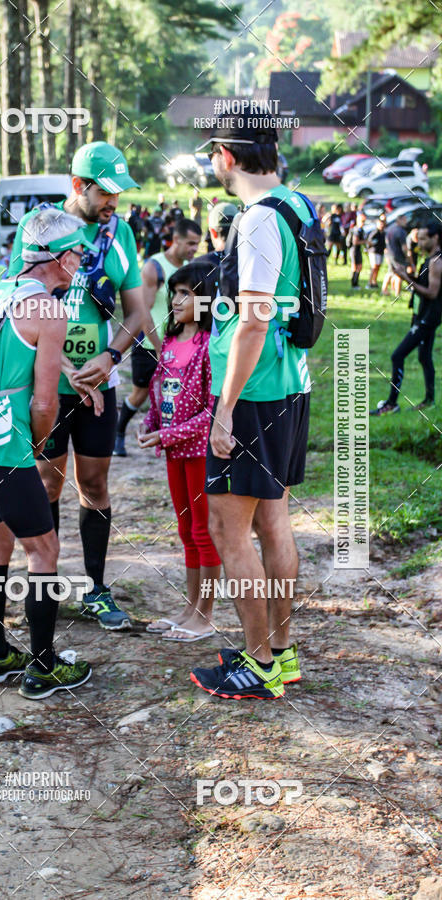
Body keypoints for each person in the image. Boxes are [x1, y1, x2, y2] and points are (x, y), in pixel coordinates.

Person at [0, 206, 98, 699]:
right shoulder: (50, 311)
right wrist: (36, 444)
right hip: (0, 446)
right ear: (59, 256)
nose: (82, 262)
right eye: (79, 253)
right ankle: (43, 668)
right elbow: (45, 402)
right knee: (44, 550)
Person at [190, 119, 311, 700]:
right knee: (272, 521)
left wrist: (225, 408)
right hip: (289, 384)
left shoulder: (259, 217)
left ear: (225, 156)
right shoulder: (295, 203)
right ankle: (279, 653)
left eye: (213, 153)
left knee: (228, 528)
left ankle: (259, 662)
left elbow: (255, 319)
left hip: (255, 395)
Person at [7, 141, 145, 631]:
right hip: (48, 380)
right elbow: (16, 298)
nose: (114, 202)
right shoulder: (40, 224)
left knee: (95, 484)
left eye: (119, 193)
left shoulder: (120, 232)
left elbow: (138, 314)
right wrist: (60, 364)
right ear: (78, 186)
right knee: (47, 482)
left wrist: (110, 358)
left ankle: (96, 590)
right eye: (105, 192)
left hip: (98, 383)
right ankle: (44, 586)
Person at [138, 262, 221, 641]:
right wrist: (150, 422)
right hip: (174, 452)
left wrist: (167, 435)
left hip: (200, 452)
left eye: (186, 293)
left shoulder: (210, 346)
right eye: (174, 292)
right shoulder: (170, 343)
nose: (175, 300)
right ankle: (189, 608)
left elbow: (212, 413)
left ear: (206, 300)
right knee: (186, 531)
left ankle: (205, 614)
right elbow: (160, 392)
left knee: (204, 532)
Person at [114, 218, 202, 455]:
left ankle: (172, 439)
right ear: (176, 240)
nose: (194, 249)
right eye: (190, 243)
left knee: (177, 394)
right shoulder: (155, 267)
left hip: (179, 346)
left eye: (197, 244)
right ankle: (118, 433)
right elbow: (143, 312)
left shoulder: (189, 269)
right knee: (140, 394)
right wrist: (160, 348)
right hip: (149, 344)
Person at [371, 223, 442, 415]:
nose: (420, 242)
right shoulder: (429, 259)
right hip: (423, 315)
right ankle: (429, 400)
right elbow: (423, 284)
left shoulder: (437, 262)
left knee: (398, 355)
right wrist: (406, 275)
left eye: (424, 238)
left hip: (429, 318)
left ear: (435, 238)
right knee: (424, 357)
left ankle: (391, 404)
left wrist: (407, 279)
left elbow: (432, 293)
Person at [382, 212, 409, 297]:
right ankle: (397, 294)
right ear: (399, 220)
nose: (406, 222)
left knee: (390, 272)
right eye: (404, 220)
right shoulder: (401, 231)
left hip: (389, 254)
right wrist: (407, 256)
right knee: (399, 274)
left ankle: (384, 290)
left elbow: (385, 242)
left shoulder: (389, 229)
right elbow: (404, 247)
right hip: (398, 255)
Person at [367, 216, 387, 289]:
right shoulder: (375, 232)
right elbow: (369, 242)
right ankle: (369, 283)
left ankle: (374, 281)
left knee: (378, 267)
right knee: (374, 267)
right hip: (374, 252)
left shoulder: (384, 233)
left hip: (380, 252)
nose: (381, 225)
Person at [350, 212, 367, 289]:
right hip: (354, 251)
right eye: (362, 221)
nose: (363, 223)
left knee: (359, 267)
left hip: (358, 250)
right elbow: (355, 242)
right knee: (355, 267)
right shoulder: (356, 230)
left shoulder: (361, 230)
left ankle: (356, 283)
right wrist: (365, 241)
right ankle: (354, 283)